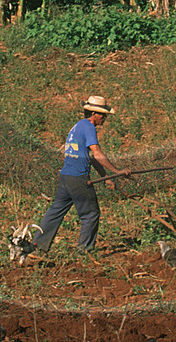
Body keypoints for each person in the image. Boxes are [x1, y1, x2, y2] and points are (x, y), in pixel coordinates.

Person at [31, 95, 121, 255]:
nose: (105, 118)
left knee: (55, 212)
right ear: (94, 114)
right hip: (78, 178)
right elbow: (97, 153)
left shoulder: (78, 126)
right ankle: (84, 252)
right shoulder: (89, 127)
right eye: (103, 114)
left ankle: (37, 247)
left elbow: (91, 158)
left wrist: (106, 177)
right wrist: (117, 172)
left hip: (66, 176)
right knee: (90, 214)